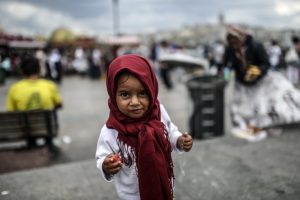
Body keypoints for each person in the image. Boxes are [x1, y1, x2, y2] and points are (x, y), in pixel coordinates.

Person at [95, 54, 193, 200]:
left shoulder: (158, 111)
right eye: (125, 94)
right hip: (131, 195)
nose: (134, 102)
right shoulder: (111, 130)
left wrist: (179, 140)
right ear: (112, 94)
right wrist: (106, 164)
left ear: (152, 90)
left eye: (142, 93)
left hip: (162, 185)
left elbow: (169, 131)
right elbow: (101, 156)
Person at [223, 26, 300, 141]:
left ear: (242, 38)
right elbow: (226, 65)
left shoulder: (256, 46)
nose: (234, 43)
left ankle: (269, 124)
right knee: (243, 107)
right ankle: (252, 126)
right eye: (231, 41)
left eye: (235, 40)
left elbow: (265, 64)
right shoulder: (230, 49)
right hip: (243, 83)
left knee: (268, 104)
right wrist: (225, 75)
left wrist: (255, 72)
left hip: (261, 81)